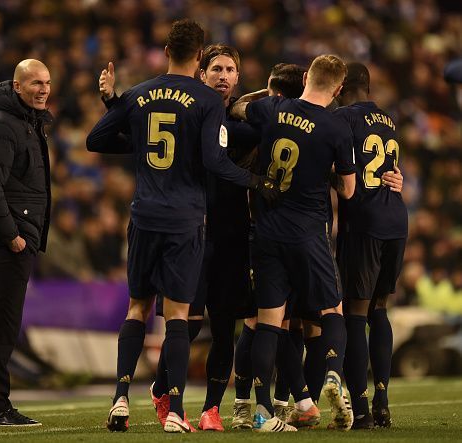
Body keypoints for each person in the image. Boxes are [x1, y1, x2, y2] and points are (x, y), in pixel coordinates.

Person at [87, 19, 277, 433]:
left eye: (230, 71)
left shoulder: (143, 95)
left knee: (162, 312)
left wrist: (118, 110)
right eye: (217, 69)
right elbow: (214, 159)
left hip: (171, 221)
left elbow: (98, 140)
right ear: (201, 63)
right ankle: (173, 404)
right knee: (180, 320)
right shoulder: (206, 105)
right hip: (187, 222)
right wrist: (256, 180)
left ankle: (144, 400)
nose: (222, 77)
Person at [231, 54, 356, 432]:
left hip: (267, 230)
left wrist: (267, 91)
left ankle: (260, 410)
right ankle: (333, 375)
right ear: (337, 90)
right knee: (331, 309)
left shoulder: (272, 107)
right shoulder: (336, 128)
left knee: (270, 321)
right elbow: (348, 191)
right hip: (307, 232)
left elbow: (238, 107)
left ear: (306, 77)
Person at [0, 59, 52, 427]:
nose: (43, 89)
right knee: (3, 324)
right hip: (8, 238)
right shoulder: (4, 124)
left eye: (47, 82)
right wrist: (12, 236)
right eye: (35, 82)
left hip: (16, 233)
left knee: (0, 323)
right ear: (17, 86)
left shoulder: (23, 122)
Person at [334, 62, 408, 429]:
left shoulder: (343, 119)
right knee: (380, 308)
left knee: (355, 313)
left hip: (364, 221)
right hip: (396, 219)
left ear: (342, 85)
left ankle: (360, 409)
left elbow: (339, 172)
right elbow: (392, 170)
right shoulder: (389, 120)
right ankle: (382, 399)